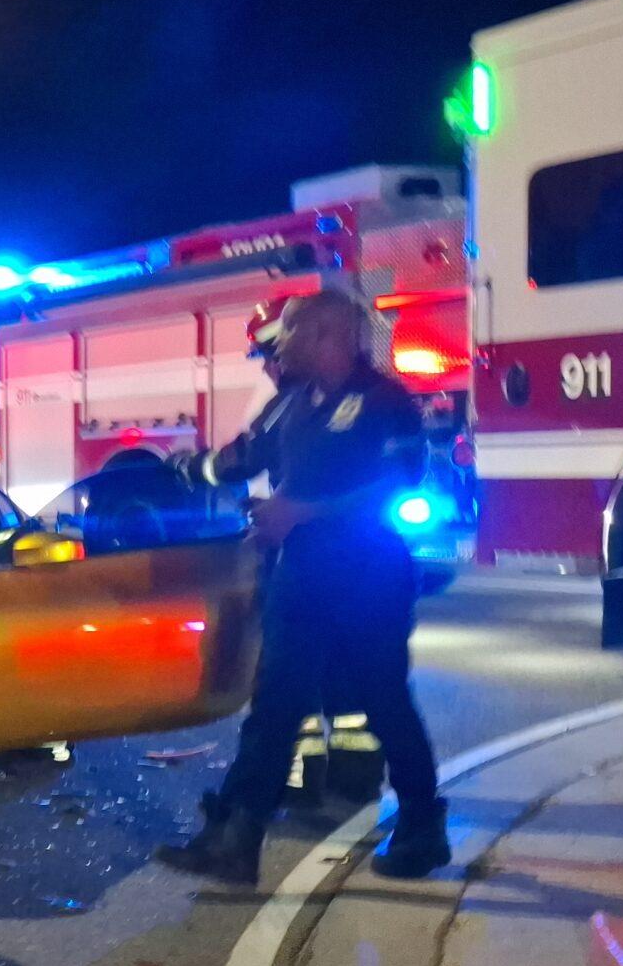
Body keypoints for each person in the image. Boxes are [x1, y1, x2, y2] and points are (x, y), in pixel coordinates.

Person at [153, 290, 447, 886]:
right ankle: (237, 836)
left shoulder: (384, 403)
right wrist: (183, 467)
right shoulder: (289, 403)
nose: (277, 348)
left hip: (369, 574)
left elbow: (399, 484)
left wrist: (301, 513)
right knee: (275, 703)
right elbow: (241, 459)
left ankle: (423, 827)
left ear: (325, 336)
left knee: (384, 698)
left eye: (287, 334)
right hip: (302, 573)